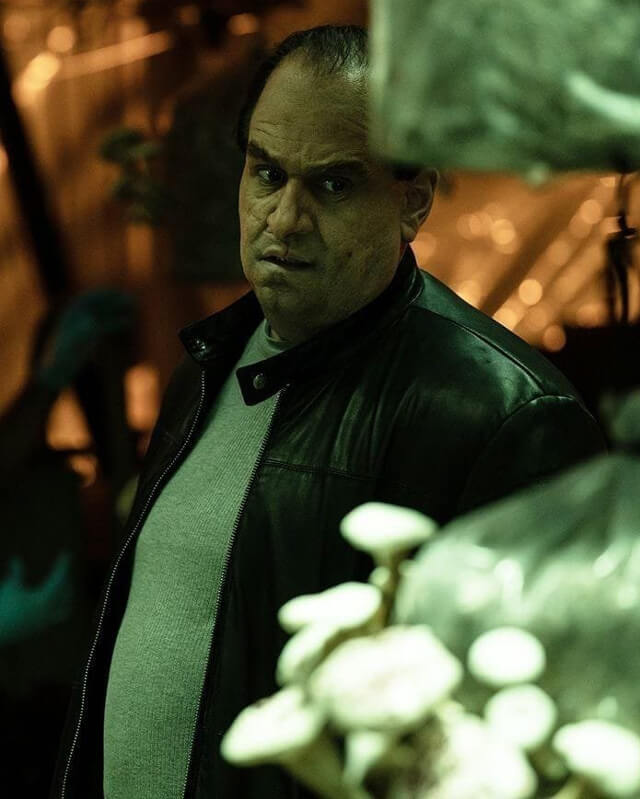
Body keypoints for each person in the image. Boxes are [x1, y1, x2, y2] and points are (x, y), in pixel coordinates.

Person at [50, 25, 607, 799]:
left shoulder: (506, 413)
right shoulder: (205, 365)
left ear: (413, 199)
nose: (283, 218)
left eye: (334, 185)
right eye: (266, 173)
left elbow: (538, 732)